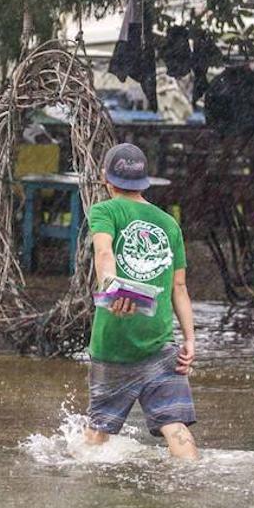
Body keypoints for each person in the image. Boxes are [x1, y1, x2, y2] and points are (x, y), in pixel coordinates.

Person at [83, 142, 198, 459]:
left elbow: (104, 252)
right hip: (159, 343)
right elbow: (180, 287)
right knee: (174, 425)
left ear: (106, 181)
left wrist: (111, 288)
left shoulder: (105, 210)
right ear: (145, 183)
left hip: (113, 343)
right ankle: (193, 484)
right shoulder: (168, 223)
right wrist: (190, 339)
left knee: (98, 430)